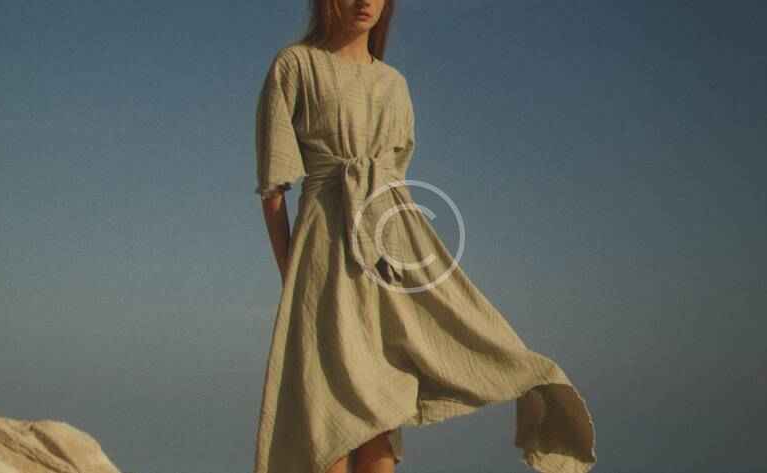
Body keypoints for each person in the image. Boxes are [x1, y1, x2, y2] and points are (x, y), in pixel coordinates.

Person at [253, 1, 597, 473]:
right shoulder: (296, 65)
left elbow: (394, 185)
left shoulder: (394, 84)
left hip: (388, 252)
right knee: (328, 424)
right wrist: (295, 278)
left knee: (380, 420)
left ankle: (534, 380)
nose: (364, 1)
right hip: (323, 254)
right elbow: (274, 188)